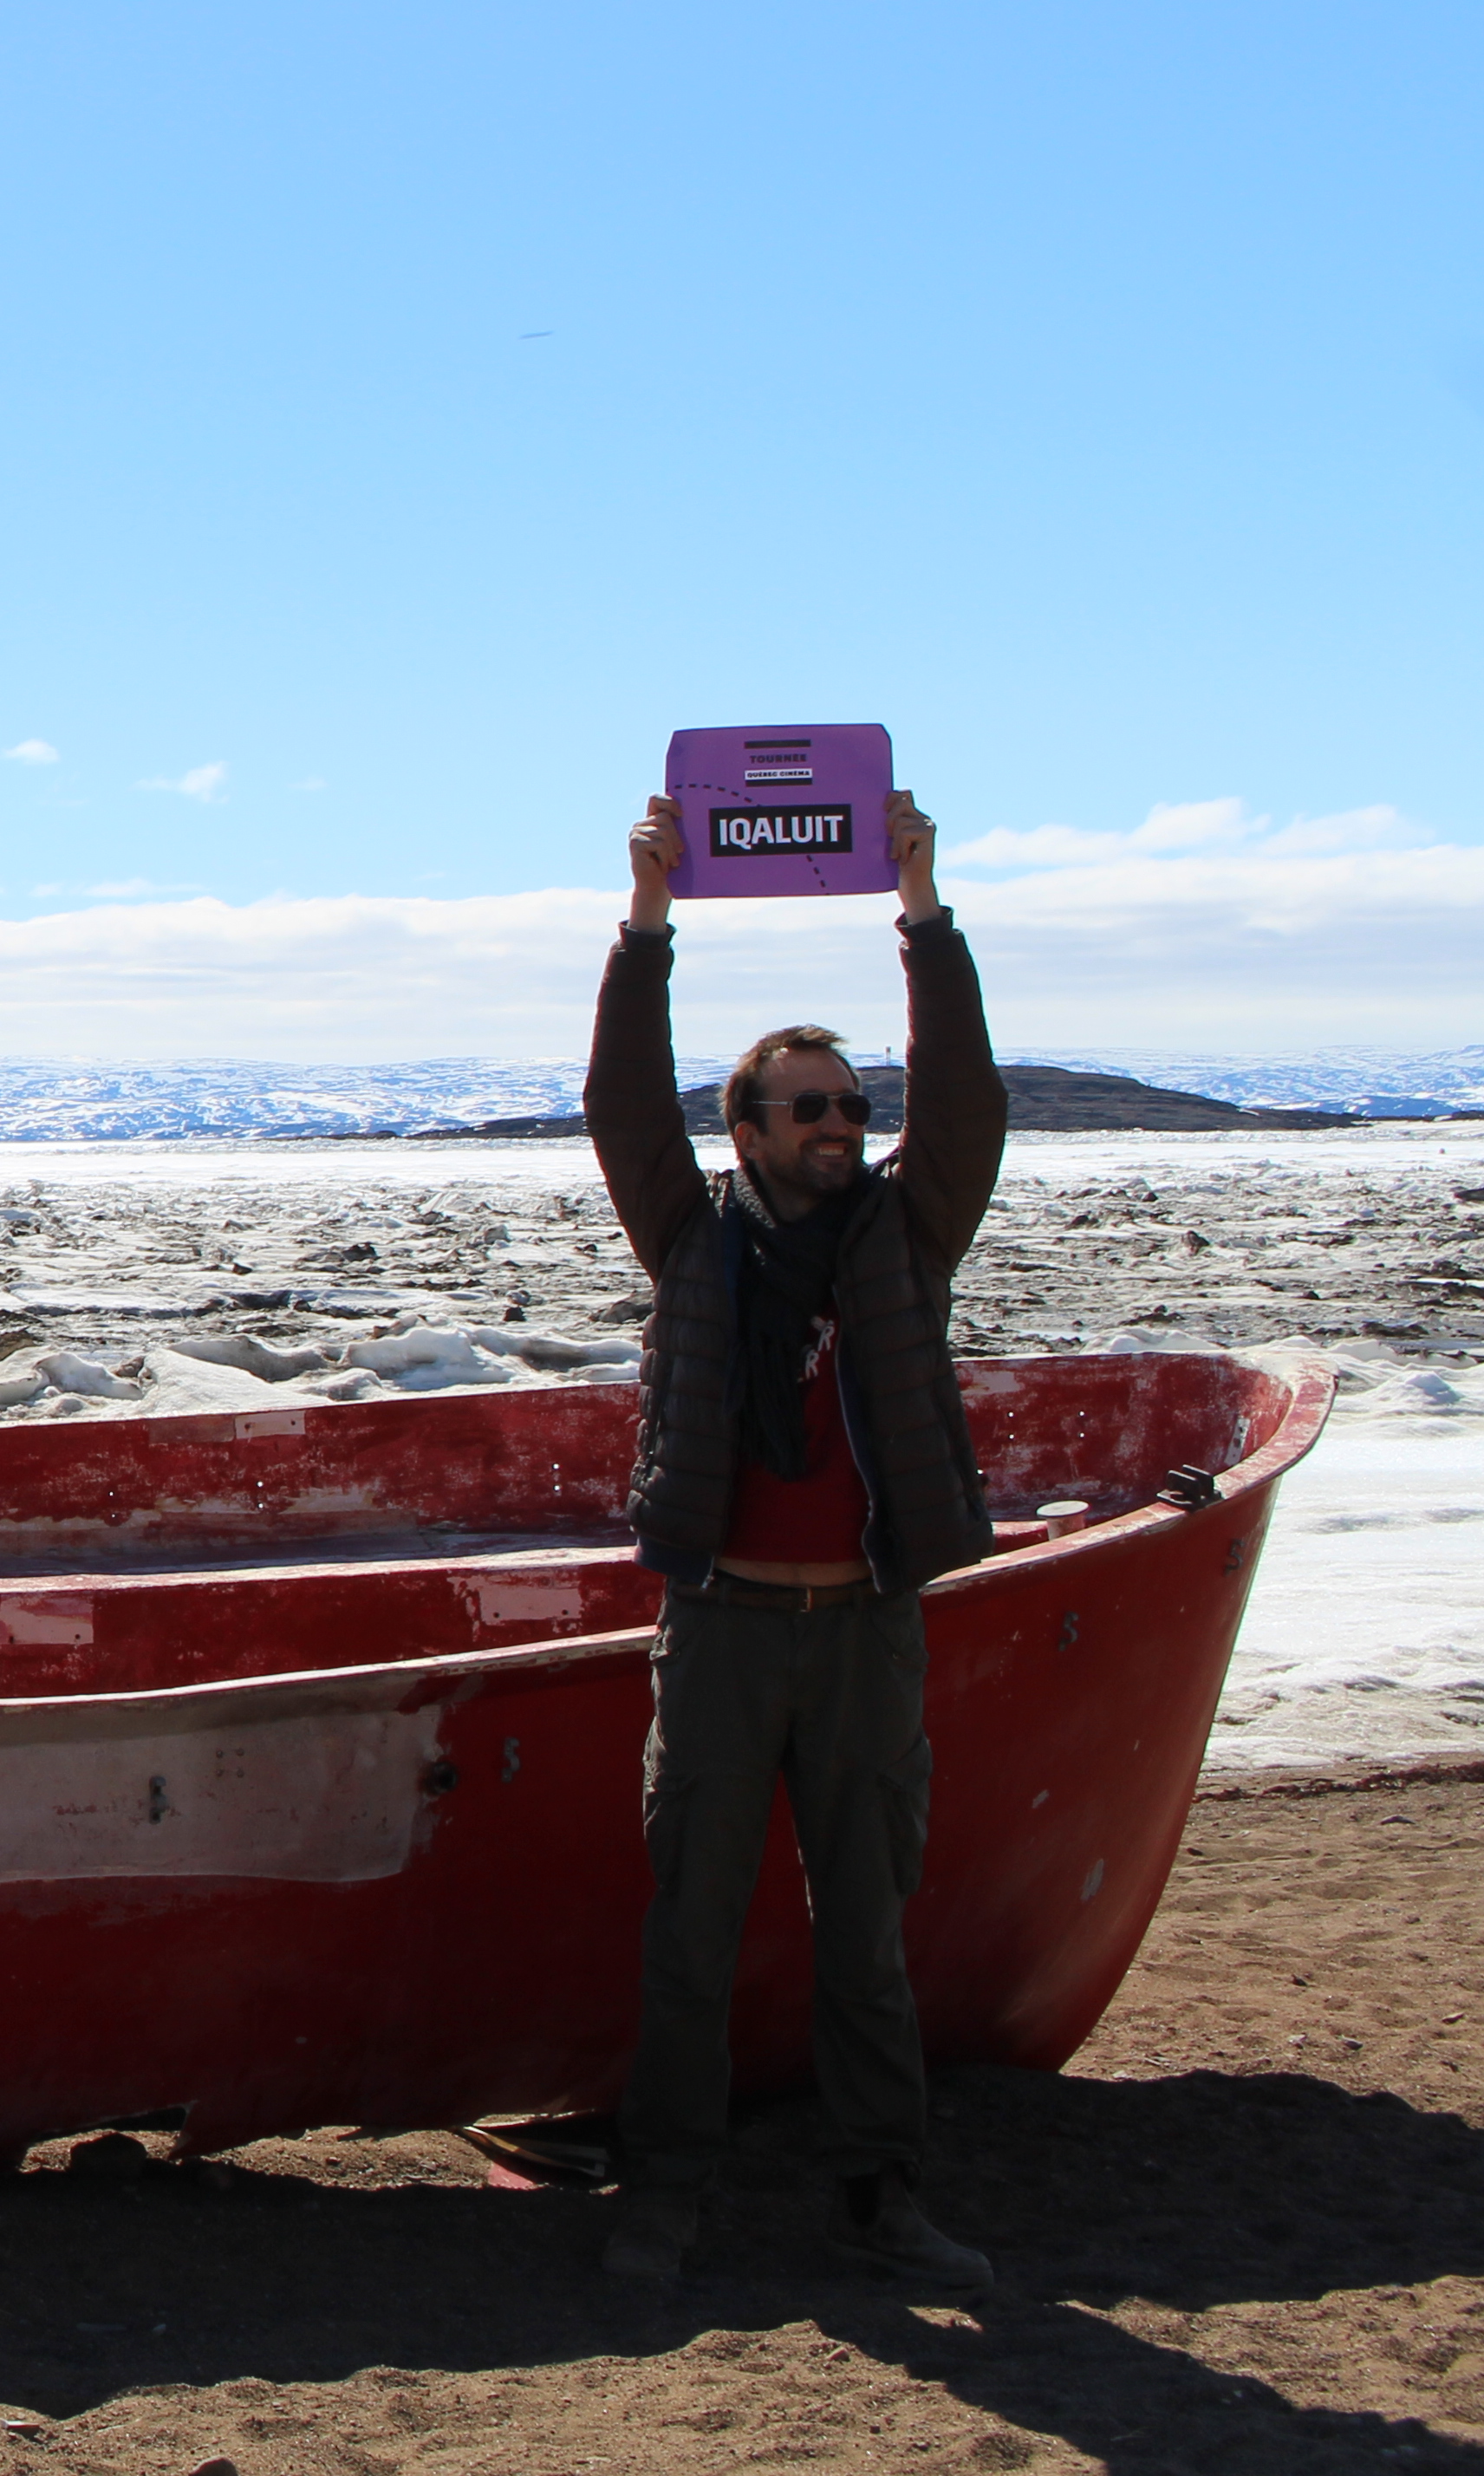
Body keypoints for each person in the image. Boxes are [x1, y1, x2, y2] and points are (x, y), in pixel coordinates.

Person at [587, 785, 1004, 2292]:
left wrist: (923, 906)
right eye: (810, 1106)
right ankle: (665, 2194)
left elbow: (967, 1106)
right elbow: (623, 1106)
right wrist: (648, 924)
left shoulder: (907, 1236)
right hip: (727, 1628)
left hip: (865, 1632)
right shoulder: (691, 1240)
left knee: (868, 1941)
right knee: (691, 1932)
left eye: (852, 1106)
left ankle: (882, 2197)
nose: (842, 1126)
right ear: (747, 1129)